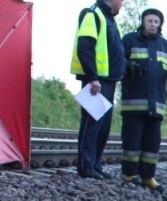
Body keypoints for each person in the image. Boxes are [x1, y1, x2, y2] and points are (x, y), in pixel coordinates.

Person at [119, 7, 167, 192]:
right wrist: (128, 65)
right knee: (132, 141)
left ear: (160, 24)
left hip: (156, 105)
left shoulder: (165, 45)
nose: (152, 24)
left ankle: (148, 176)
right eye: (149, 20)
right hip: (133, 103)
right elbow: (117, 60)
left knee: (152, 144)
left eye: (156, 21)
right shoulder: (129, 40)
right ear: (143, 22)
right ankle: (129, 174)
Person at [71, 0, 125, 180]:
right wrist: (92, 77)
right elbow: (85, 46)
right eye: (122, 1)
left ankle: (95, 164)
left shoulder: (108, 18)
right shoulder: (93, 14)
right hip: (96, 80)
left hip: (108, 80)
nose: (122, 5)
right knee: (92, 123)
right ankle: (86, 166)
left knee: (103, 126)